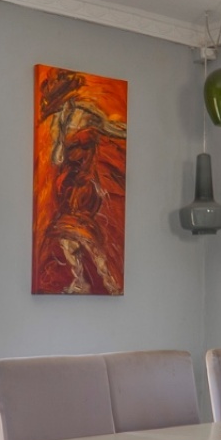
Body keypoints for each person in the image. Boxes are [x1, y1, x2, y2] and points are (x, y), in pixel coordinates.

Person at [35, 70, 127, 294]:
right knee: (68, 234)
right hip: (69, 184)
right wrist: (62, 132)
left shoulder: (87, 112)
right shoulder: (61, 121)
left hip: (84, 184)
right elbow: (57, 159)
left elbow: (112, 129)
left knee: (74, 231)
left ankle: (101, 280)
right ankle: (89, 280)